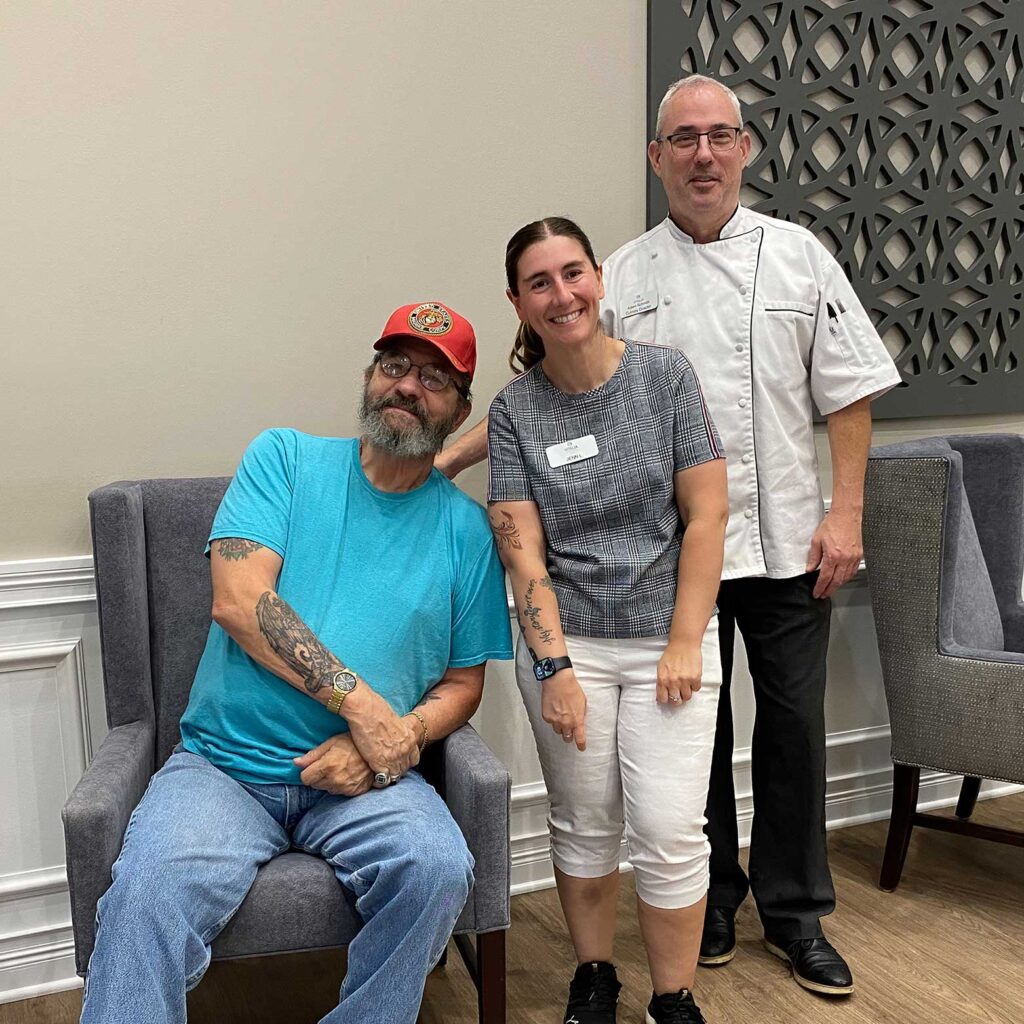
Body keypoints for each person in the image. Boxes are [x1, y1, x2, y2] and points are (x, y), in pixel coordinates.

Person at [79, 301, 514, 1024]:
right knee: (146, 894)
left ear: (460, 410)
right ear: (371, 376)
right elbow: (239, 601)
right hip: (225, 768)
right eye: (395, 365)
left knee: (439, 870)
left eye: (435, 378)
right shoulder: (284, 459)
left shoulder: (466, 531)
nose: (409, 386)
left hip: (364, 781)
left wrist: (393, 741)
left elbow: (465, 683)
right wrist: (365, 709)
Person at [598, 76, 902, 996]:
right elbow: (573, 395)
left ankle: (798, 912)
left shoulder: (800, 256)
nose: (703, 155)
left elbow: (849, 392)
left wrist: (845, 515)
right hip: (670, 551)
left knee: (794, 730)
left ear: (744, 149)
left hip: (788, 541)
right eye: (684, 139)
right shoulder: (623, 275)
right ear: (656, 158)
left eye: (718, 136)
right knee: (693, 730)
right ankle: (715, 900)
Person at [487, 216, 729, 1024]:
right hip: (571, 645)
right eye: (540, 283)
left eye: (573, 273)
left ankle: (673, 997)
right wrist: (554, 669)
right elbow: (523, 554)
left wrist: (686, 641)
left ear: (598, 278)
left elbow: (707, 515)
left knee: (669, 828)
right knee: (584, 821)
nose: (562, 295)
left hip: (671, 637)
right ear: (518, 303)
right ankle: (594, 976)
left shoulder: (665, 377)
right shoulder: (515, 410)